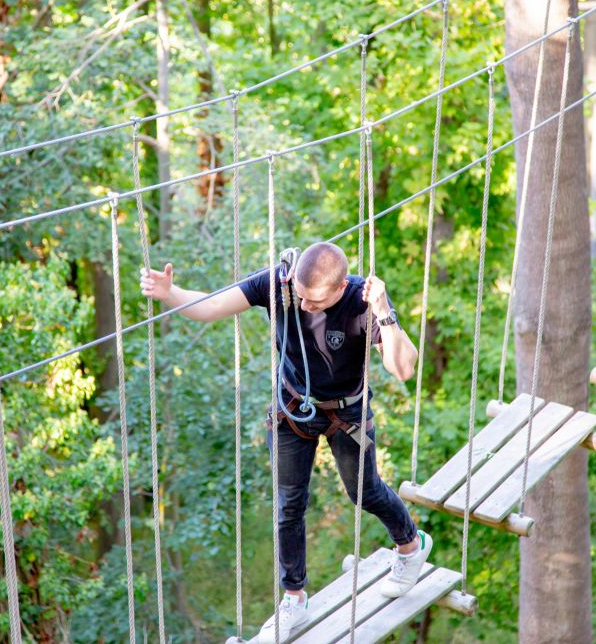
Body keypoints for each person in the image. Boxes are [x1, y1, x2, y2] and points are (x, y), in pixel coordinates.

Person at [140, 242, 432, 642]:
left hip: (347, 413)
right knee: (288, 505)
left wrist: (384, 312)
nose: (305, 306)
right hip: (292, 410)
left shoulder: (361, 300)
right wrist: (169, 293)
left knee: (364, 492)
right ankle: (294, 597)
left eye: (316, 302)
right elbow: (212, 306)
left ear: (340, 287)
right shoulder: (279, 284)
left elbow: (402, 368)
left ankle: (411, 545)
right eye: (301, 296)